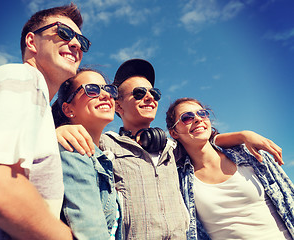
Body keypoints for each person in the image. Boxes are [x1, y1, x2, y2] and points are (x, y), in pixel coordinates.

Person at [56, 58, 283, 239]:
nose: (149, 97)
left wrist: (243, 135)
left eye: (153, 93)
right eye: (138, 93)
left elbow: (204, 138)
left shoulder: (174, 147)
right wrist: (59, 130)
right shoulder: (106, 145)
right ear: (117, 106)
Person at [0, 3, 91, 239]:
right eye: (64, 32)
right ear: (32, 42)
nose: (76, 44)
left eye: (83, 41)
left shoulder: (34, 103)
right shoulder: (21, 78)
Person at [166, 97, 294, 239]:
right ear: (174, 133)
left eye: (202, 113)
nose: (197, 119)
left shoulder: (250, 155)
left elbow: (290, 198)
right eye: (187, 118)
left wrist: (244, 134)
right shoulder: (179, 180)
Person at [51, 68, 122, 240]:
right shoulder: (73, 150)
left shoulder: (100, 158)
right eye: (92, 89)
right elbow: (91, 232)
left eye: (109, 90)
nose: (105, 95)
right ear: (68, 110)